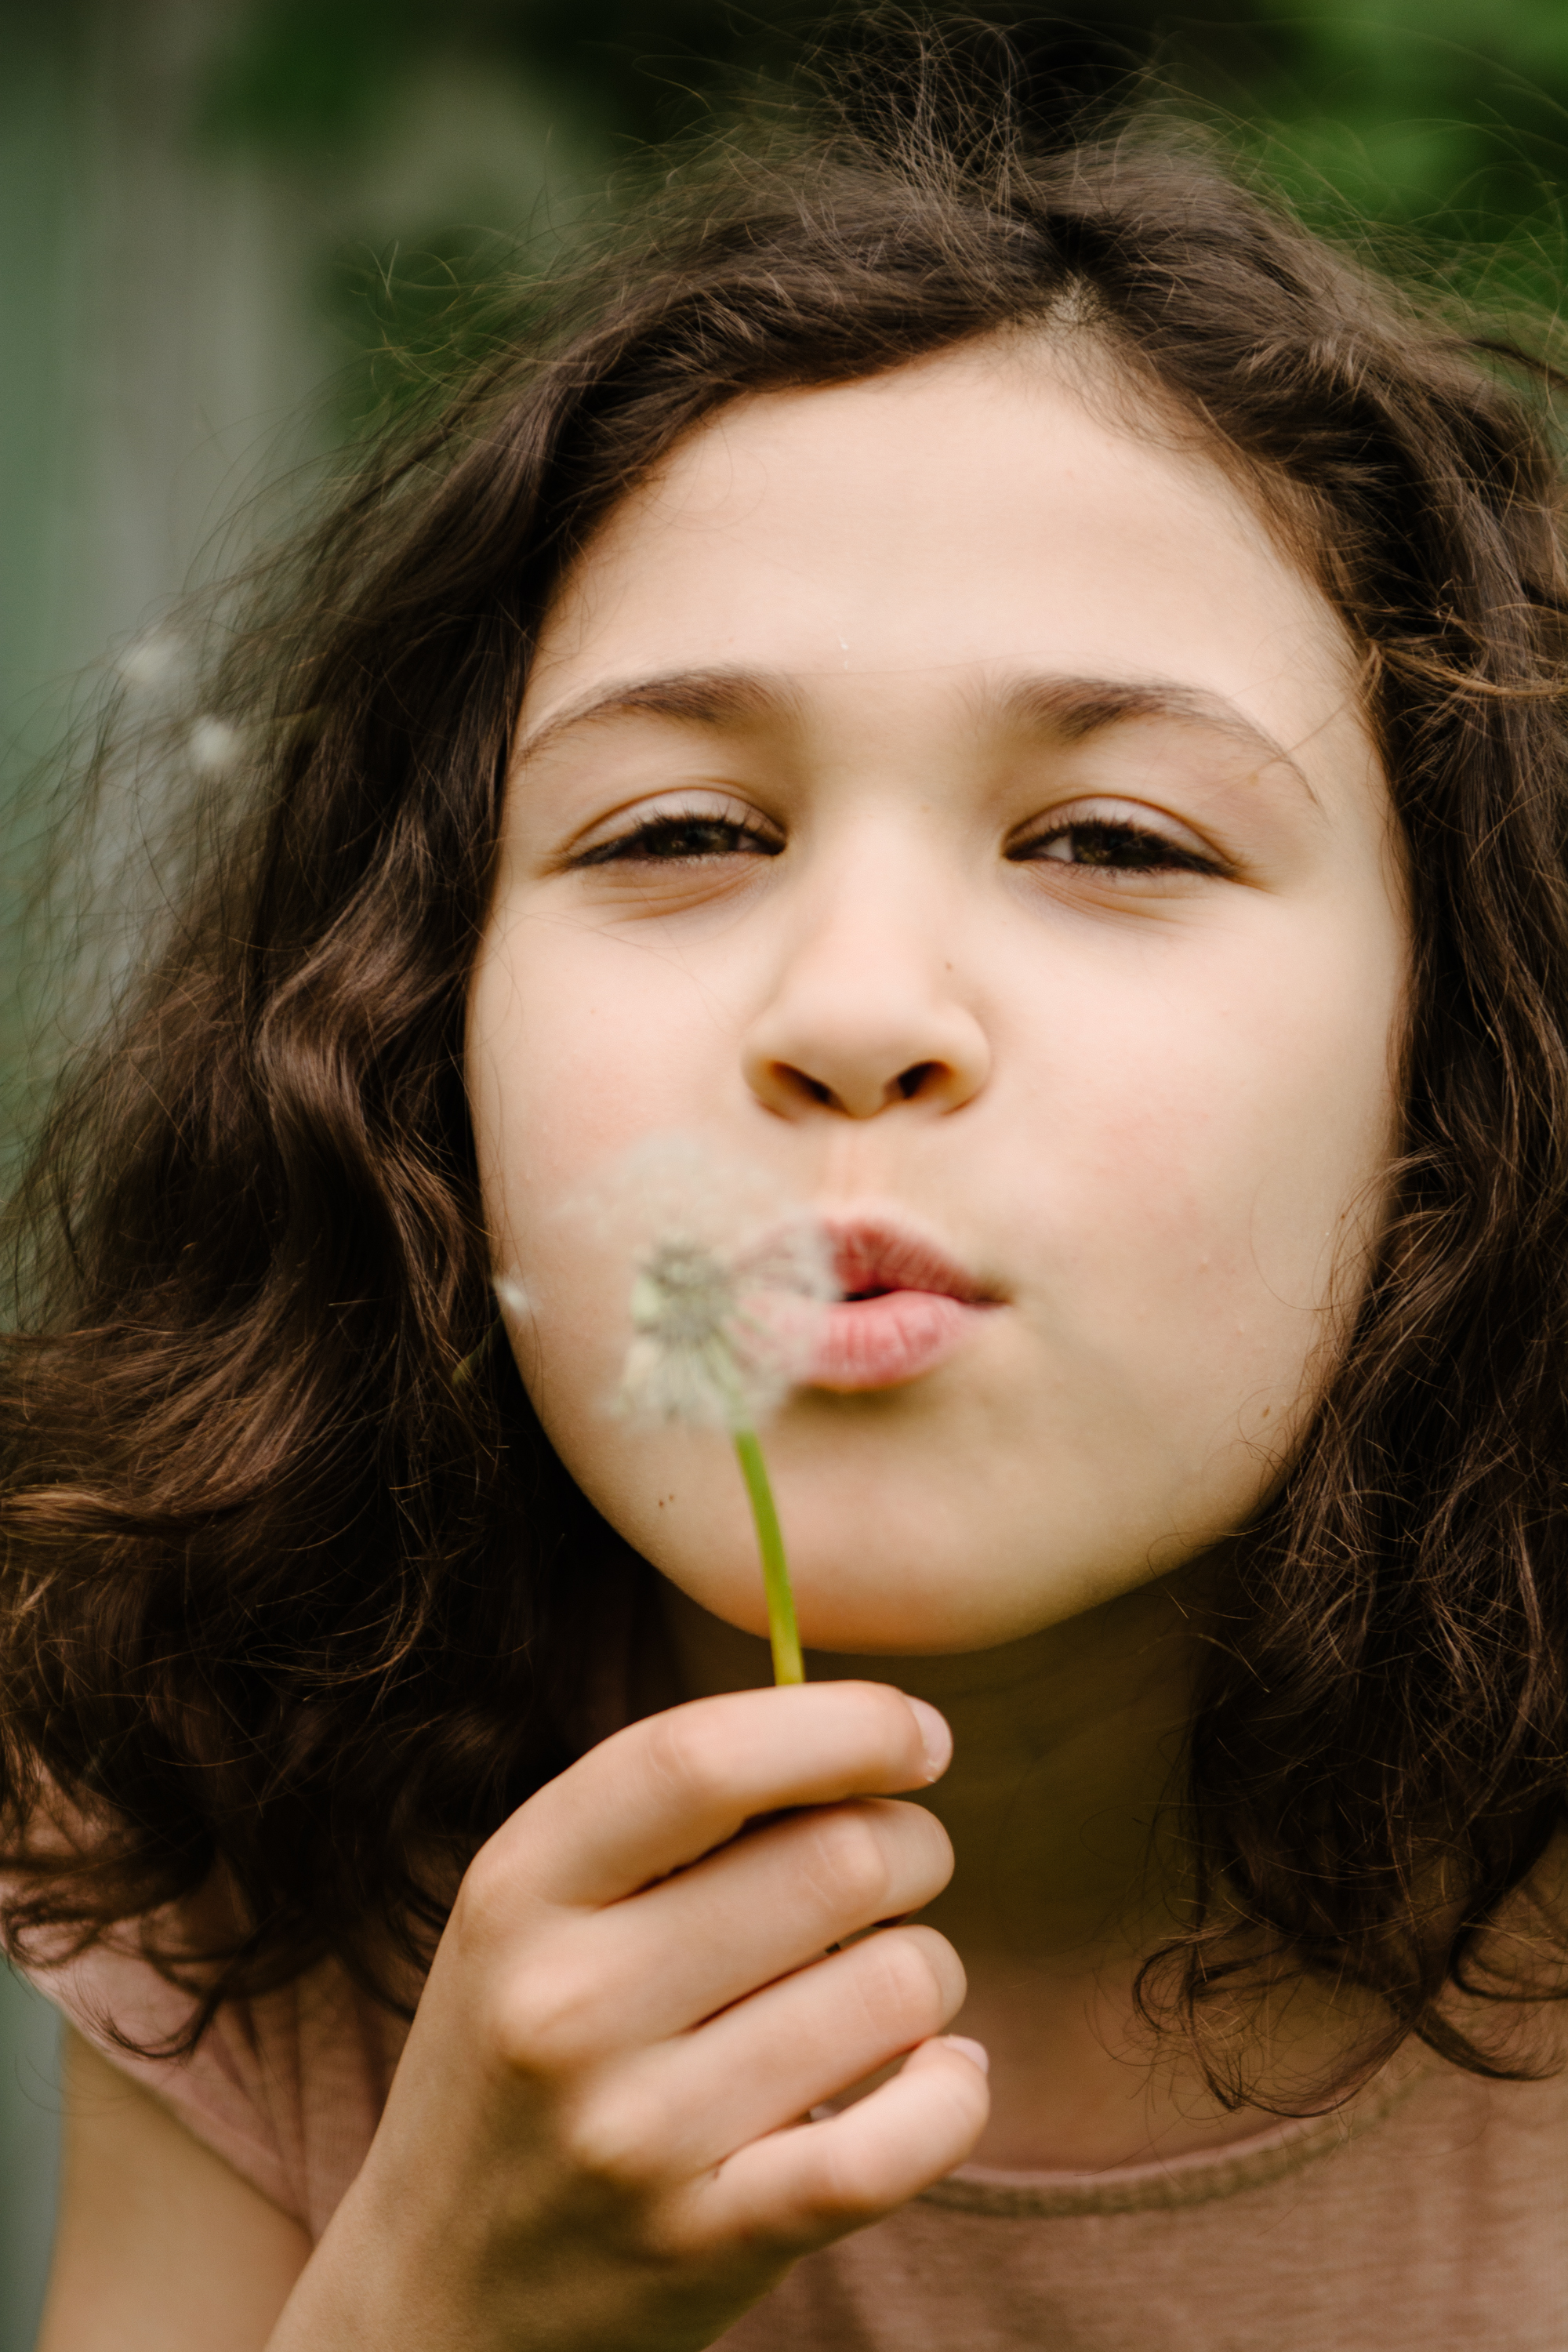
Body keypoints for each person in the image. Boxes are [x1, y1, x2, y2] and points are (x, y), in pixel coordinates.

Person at [5, 30, 1568, 2350]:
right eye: (682, 835)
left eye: (1112, 840)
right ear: (419, 1035)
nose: (848, 1008)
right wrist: (443, 2293)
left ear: (1457, 1062)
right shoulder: (239, 1765)